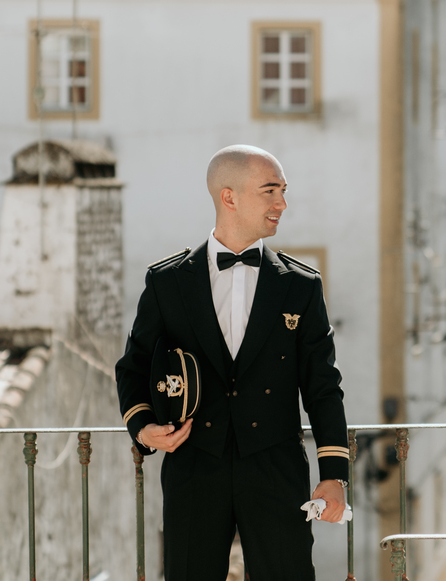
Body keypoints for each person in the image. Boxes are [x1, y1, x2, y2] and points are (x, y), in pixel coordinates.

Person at [116, 145, 349, 580]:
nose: (282, 203)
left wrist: (334, 471)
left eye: (283, 191)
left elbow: (322, 386)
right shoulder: (168, 283)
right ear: (230, 197)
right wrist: (143, 428)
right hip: (193, 466)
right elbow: (133, 367)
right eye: (270, 191)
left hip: (276, 468)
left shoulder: (301, 286)